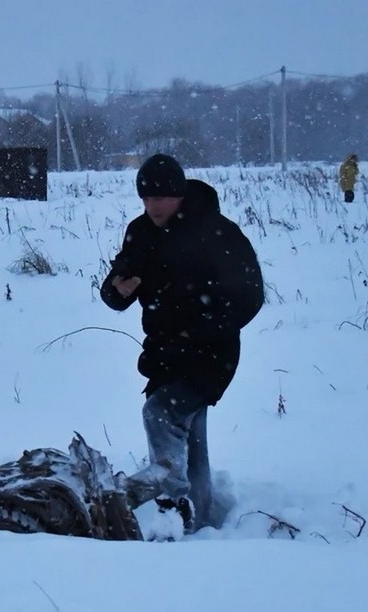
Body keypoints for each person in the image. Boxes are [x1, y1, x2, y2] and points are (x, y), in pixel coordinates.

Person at [100, 153, 264, 533]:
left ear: (179, 194)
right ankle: (202, 514)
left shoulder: (216, 231)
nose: (152, 205)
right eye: (146, 198)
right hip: (162, 352)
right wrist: (116, 289)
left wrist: (202, 329)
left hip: (211, 352)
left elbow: (250, 294)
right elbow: (117, 286)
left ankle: (172, 507)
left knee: (161, 413)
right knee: (188, 433)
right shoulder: (140, 232)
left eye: (161, 197)